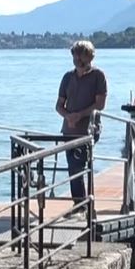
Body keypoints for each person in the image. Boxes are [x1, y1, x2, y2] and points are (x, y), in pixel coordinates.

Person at [55, 39, 107, 204]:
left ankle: (81, 205)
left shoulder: (98, 76)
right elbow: (58, 105)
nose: (77, 60)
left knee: (78, 165)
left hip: (89, 129)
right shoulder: (67, 77)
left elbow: (100, 104)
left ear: (89, 57)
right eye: (75, 56)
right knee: (73, 168)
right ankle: (80, 203)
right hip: (69, 130)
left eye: (81, 57)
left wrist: (80, 115)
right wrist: (68, 116)